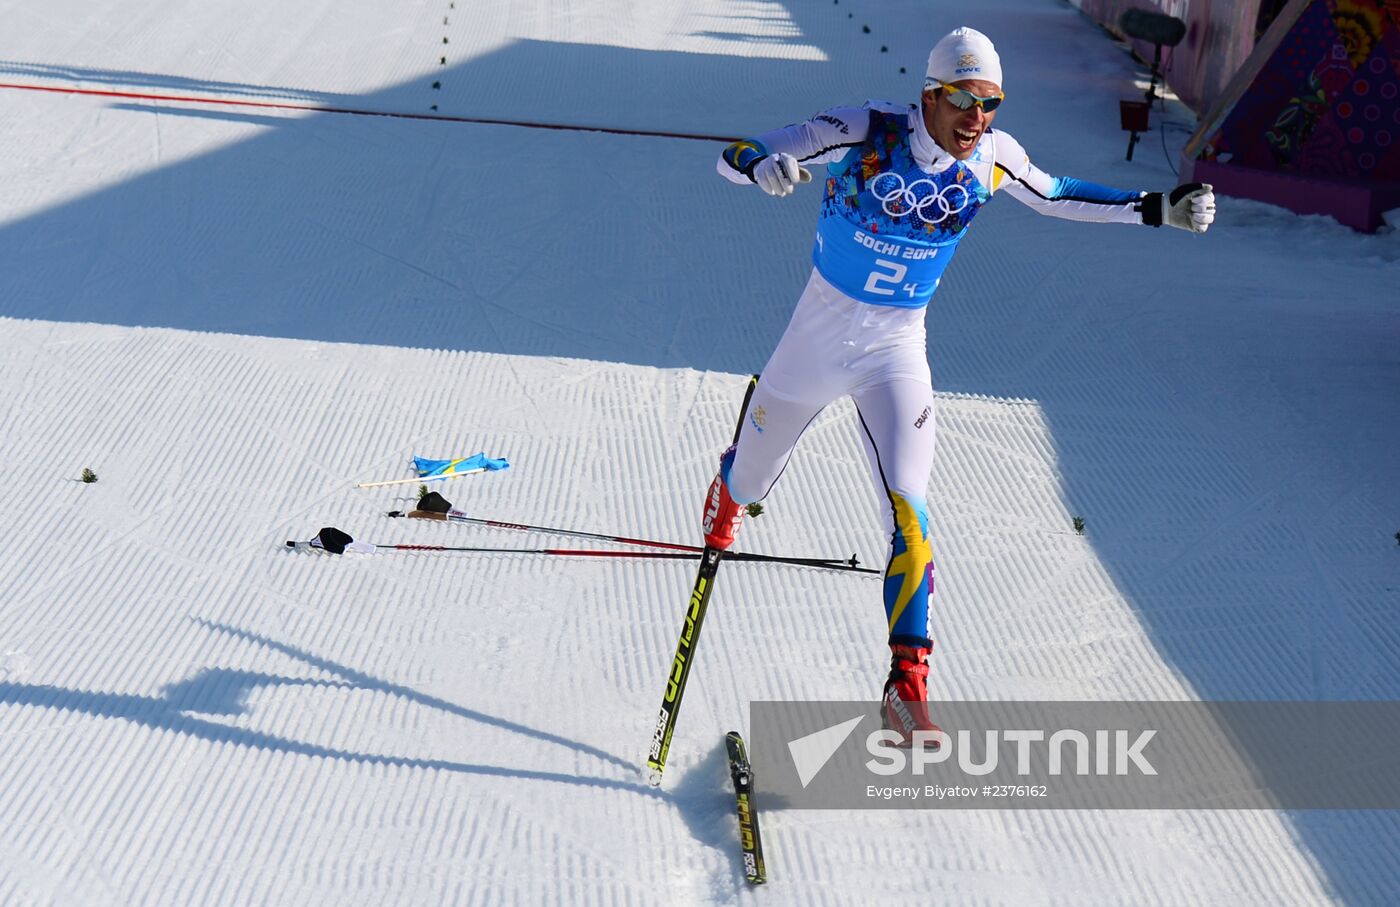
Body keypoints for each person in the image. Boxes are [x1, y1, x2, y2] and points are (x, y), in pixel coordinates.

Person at [699, 26, 1215, 743]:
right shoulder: (866, 129)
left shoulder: (994, 159)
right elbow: (738, 151)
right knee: (753, 481)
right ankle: (728, 489)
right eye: (964, 100)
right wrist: (762, 167)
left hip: (894, 353)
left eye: (991, 103)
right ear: (929, 96)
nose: (978, 118)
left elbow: (1057, 194)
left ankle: (906, 684)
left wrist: (1158, 206)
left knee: (910, 513)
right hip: (812, 346)